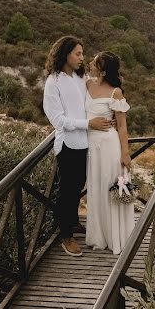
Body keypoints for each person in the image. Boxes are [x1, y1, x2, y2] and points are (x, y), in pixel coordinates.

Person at [42, 36, 114, 257]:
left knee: (78, 186)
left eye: (83, 54)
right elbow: (57, 120)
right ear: (65, 54)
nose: (82, 58)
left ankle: (72, 222)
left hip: (87, 143)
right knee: (67, 190)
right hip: (68, 144)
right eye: (78, 53)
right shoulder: (53, 82)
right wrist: (88, 124)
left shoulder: (80, 78)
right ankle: (65, 236)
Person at [84, 51, 135, 254]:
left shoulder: (116, 93)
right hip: (91, 145)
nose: (90, 62)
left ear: (103, 71)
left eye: (94, 62)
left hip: (109, 146)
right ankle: (99, 236)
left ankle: (116, 237)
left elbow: (122, 127)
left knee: (110, 188)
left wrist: (125, 153)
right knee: (95, 188)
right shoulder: (87, 84)